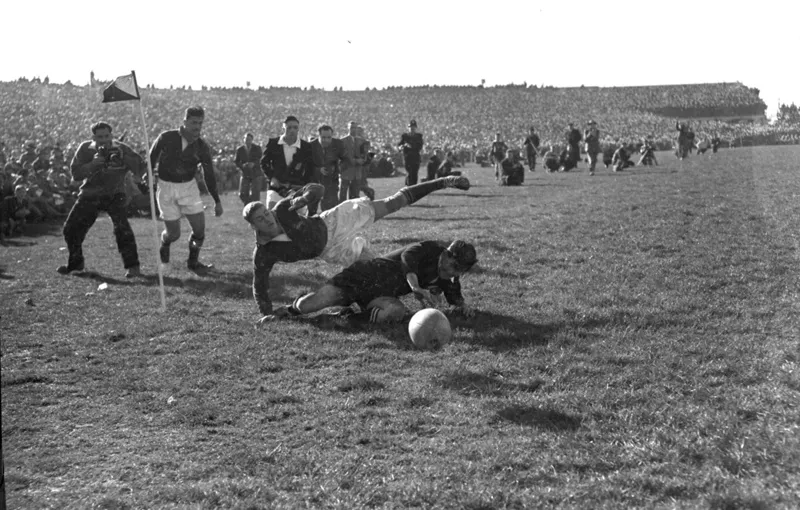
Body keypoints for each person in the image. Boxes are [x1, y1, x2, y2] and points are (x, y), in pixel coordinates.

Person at [243, 175, 471, 319]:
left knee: (392, 204)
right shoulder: (264, 253)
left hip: (332, 222)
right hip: (332, 251)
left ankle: (443, 181)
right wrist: (266, 313)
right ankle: (354, 310)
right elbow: (259, 284)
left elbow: (317, 188)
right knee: (371, 273)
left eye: (266, 212)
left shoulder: (283, 209)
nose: (268, 219)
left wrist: (304, 199)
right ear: (253, 226)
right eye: (261, 219)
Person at [260, 239, 478, 324]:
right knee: (312, 305)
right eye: (455, 267)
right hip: (361, 277)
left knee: (396, 312)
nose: (455, 274)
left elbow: (454, 297)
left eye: (461, 271)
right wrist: (415, 287)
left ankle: (349, 316)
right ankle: (290, 310)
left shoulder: (449, 277)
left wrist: (463, 307)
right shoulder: (430, 248)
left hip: (380, 295)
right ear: (448, 255)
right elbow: (407, 259)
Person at [57, 122, 144, 277]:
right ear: (93, 137)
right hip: (90, 194)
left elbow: (141, 167)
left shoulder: (121, 148)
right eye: (99, 137)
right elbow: (76, 174)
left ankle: (133, 267)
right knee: (70, 228)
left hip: (115, 193)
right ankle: (76, 264)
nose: (104, 140)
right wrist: (92, 165)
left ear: (111, 135)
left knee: (122, 229)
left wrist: (124, 158)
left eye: (106, 136)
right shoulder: (85, 149)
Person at [149, 106, 224, 272]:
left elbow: (209, 174)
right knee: (174, 234)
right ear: (185, 122)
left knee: (199, 230)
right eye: (193, 122)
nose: (197, 126)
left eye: (200, 123)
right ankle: (165, 242)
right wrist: (146, 175)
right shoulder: (166, 137)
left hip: (188, 188)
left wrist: (217, 200)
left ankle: (193, 262)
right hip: (166, 187)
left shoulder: (202, 147)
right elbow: (150, 158)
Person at [261, 115, 316, 211]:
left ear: (298, 129)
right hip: (276, 189)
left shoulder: (305, 147)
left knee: (297, 219)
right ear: (283, 128)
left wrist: (305, 186)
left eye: (295, 127)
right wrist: (272, 177)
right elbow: (264, 163)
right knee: (273, 215)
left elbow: (310, 169)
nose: (292, 130)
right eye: (289, 127)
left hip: (297, 189)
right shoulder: (274, 143)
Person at [310, 124, 350, 211]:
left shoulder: (338, 144)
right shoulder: (310, 146)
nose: (326, 140)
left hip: (331, 181)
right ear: (318, 135)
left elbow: (346, 160)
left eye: (329, 137)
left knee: (331, 210)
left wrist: (339, 168)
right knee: (311, 211)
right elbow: (306, 165)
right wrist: (318, 170)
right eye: (323, 137)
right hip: (314, 182)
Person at [340, 121, 367, 203]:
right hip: (346, 172)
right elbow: (343, 157)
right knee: (343, 196)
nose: (354, 130)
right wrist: (356, 161)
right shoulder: (342, 141)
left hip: (357, 173)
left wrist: (363, 160)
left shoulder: (362, 141)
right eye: (352, 128)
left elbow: (364, 155)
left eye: (355, 128)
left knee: (355, 196)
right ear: (348, 128)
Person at [235, 132, 264, 205]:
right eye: (246, 139)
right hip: (245, 173)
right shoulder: (240, 149)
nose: (247, 141)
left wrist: (254, 164)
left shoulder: (257, 148)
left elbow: (261, 159)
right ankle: (249, 205)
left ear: (252, 140)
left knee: (255, 194)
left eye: (249, 139)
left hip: (256, 173)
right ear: (243, 139)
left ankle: (255, 207)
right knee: (242, 194)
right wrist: (242, 165)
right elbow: (237, 161)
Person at [397, 119, 424, 185]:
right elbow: (399, 145)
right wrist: (400, 147)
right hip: (407, 158)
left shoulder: (419, 136)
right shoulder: (405, 136)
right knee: (409, 172)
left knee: (414, 173)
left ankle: (413, 187)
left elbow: (419, 147)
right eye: (410, 127)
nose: (412, 129)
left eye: (413, 127)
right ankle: (409, 186)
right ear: (408, 128)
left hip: (415, 158)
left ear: (415, 128)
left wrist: (410, 146)